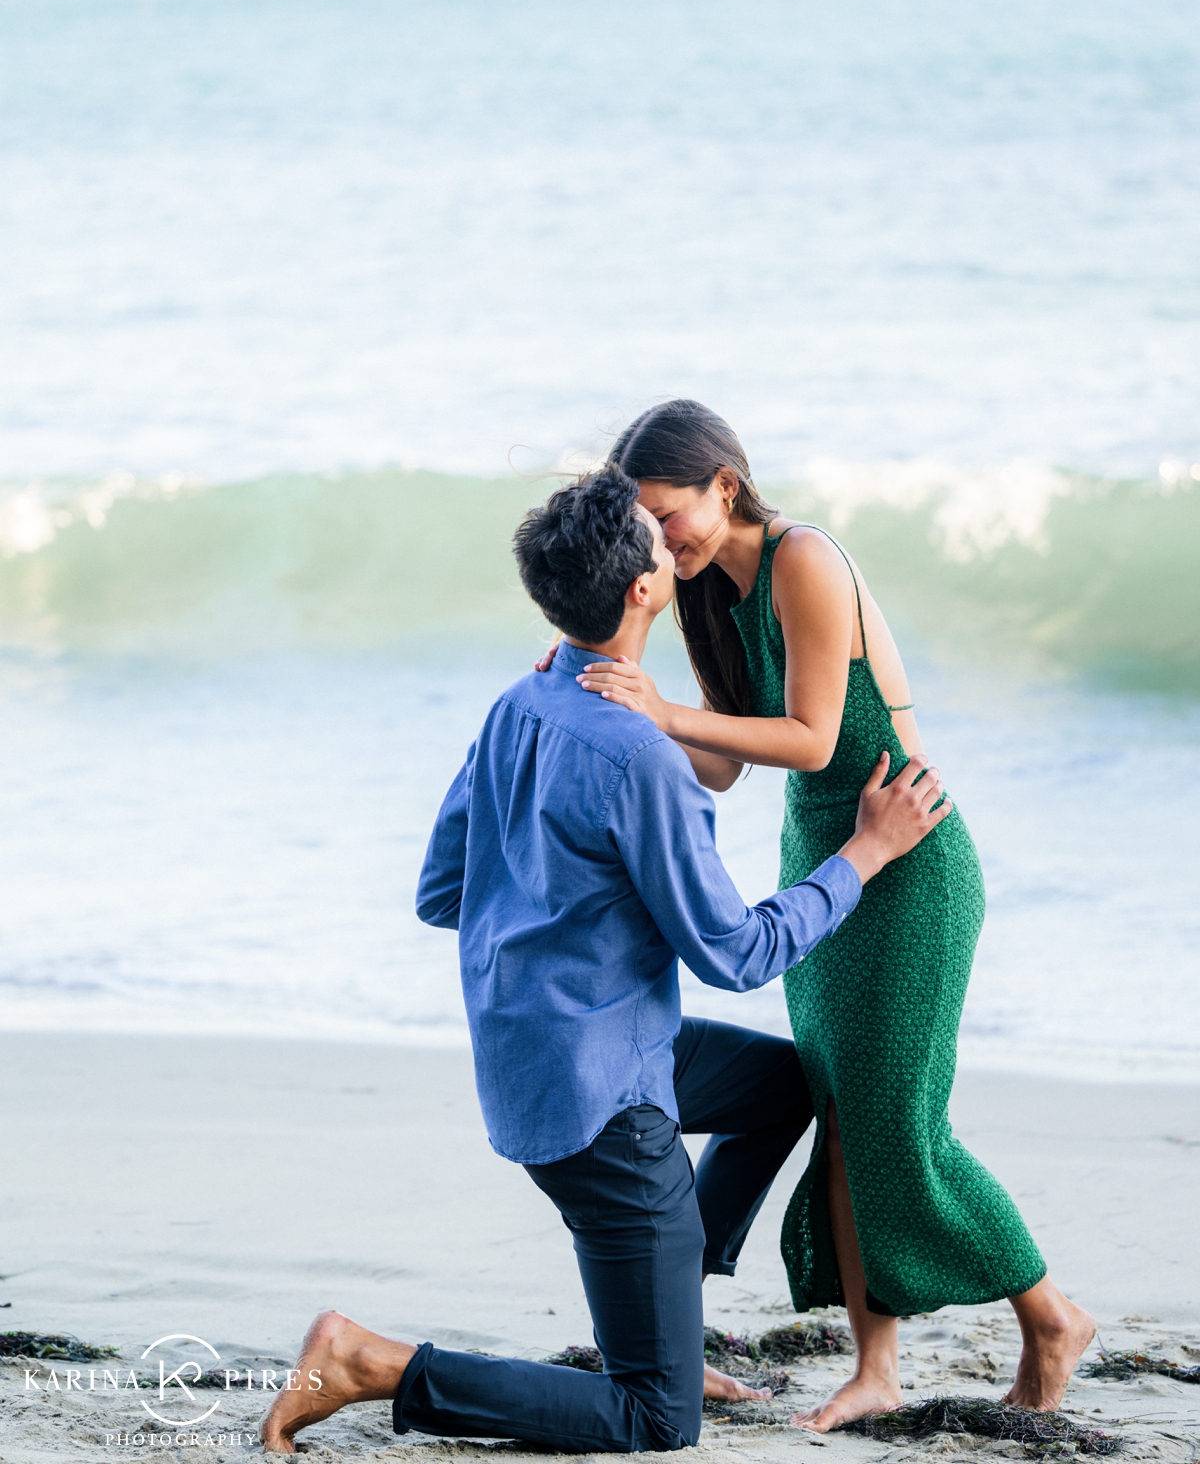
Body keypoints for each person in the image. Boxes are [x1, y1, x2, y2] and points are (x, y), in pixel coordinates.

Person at [260, 465, 951, 1456]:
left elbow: (439, 892)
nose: (674, 545)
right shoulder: (641, 760)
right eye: (654, 538)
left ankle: (671, 1302)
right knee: (653, 1418)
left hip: (542, 1061)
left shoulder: (524, 699)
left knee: (782, 1087)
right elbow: (736, 952)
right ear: (642, 591)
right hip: (605, 1111)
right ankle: (370, 1362)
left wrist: (566, 921)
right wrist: (865, 853)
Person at [551, 401, 1094, 1428]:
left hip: (909, 860)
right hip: (826, 859)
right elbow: (717, 766)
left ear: (724, 480)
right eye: (646, 526)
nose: (661, 541)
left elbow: (808, 736)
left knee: (898, 1122)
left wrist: (660, 711)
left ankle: (1049, 1313)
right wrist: (623, 687)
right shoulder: (710, 589)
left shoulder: (805, 559)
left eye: (670, 515)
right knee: (841, 1115)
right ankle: (876, 1369)